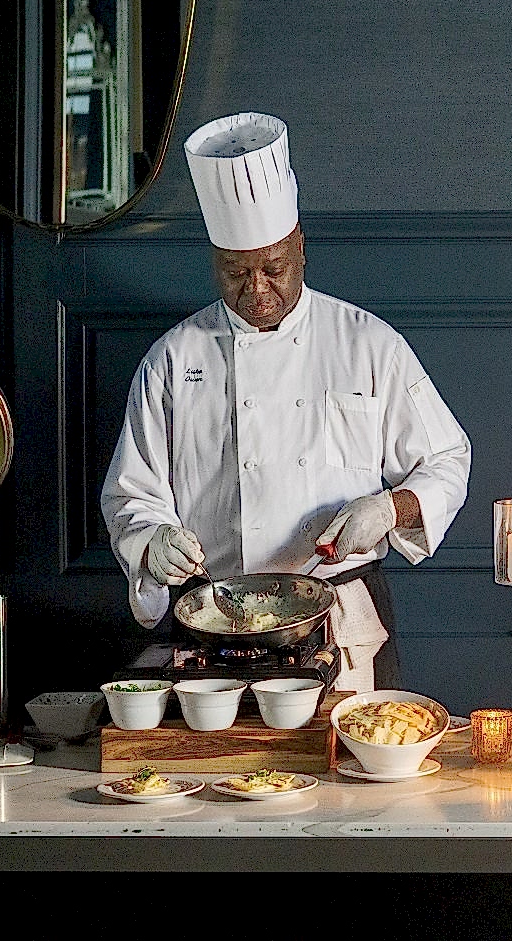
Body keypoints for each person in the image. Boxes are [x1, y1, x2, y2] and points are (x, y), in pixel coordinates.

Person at [100, 112, 471, 693]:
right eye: (235, 272)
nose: (257, 289)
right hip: (215, 624)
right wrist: (153, 543)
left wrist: (392, 507)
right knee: (222, 775)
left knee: (351, 774)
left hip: (342, 622)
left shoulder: (368, 343)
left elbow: (448, 458)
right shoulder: (172, 359)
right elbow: (132, 495)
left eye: (273, 268)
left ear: (300, 247)